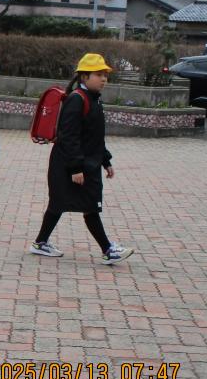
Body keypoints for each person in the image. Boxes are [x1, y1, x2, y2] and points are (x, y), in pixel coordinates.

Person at [30, 53, 134, 265]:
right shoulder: (77, 100)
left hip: (85, 163)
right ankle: (108, 250)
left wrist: (106, 161)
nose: (103, 79)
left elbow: (95, 136)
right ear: (84, 76)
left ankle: (40, 243)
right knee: (82, 205)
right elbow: (69, 137)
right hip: (71, 164)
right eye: (99, 74)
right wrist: (76, 168)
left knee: (66, 204)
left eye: (105, 75)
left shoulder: (94, 99)